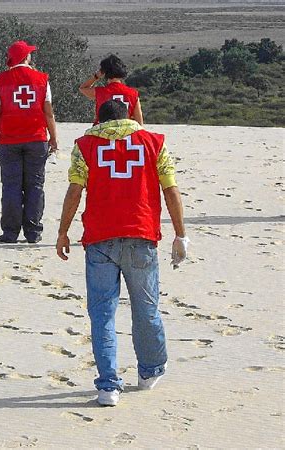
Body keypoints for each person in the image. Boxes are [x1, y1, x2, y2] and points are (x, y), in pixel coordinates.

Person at [56, 100, 189, 407]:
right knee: (146, 307)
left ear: (99, 119)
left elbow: (74, 191)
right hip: (141, 236)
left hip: (99, 239)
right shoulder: (154, 143)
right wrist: (181, 235)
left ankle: (107, 386)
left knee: (102, 313)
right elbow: (171, 190)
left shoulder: (85, 145)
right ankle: (150, 370)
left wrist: (63, 231)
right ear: (128, 116)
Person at [0, 40, 58, 244]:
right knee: (35, 186)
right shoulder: (42, 79)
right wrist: (53, 137)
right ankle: (33, 232)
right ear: (26, 57)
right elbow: (48, 112)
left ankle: (10, 232)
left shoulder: (0, 80)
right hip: (36, 139)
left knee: (11, 186)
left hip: (8, 141)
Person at [79, 54, 143, 125]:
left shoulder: (100, 92)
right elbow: (139, 123)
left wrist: (96, 76)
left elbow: (83, 88)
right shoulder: (133, 93)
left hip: (102, 132)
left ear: (104, 72)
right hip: (124, 133)